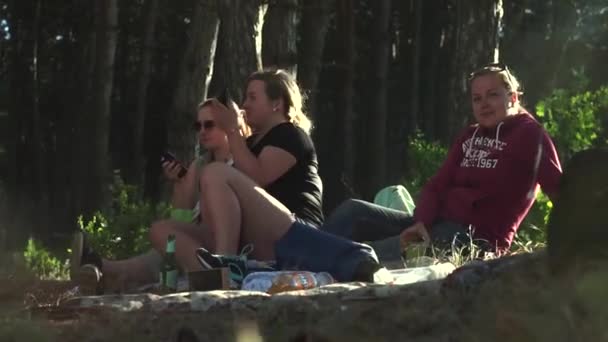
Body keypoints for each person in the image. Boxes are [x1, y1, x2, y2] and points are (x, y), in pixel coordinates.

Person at [320, 63, 563, 261]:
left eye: (493, 95)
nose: (484, 104)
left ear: (512, 97)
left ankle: (328, 263)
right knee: (353, 211)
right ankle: (297, 257)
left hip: (474, 238)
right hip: (435, 223)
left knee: (370, 250)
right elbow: (437, 185)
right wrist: (422, 222)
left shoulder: (532, 136)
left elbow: (560, 191)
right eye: (477, 99)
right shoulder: (470, 135)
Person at [148, 69, 325, 272]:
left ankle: (226, 265)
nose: (245, 105)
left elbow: (258, 177)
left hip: (297, 234)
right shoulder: (250, 144)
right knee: (163, 231)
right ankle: (210, 275)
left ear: (277, 103)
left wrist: (232, 129)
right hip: (255, 235)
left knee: (215, 173)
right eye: (245, 97)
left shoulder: (291, 135)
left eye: (252, 97)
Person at [70, 99, 248, 293]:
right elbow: (181, 217)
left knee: (162, 240)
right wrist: (180, 185)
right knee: (158, 252)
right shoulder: (200, 164)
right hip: (196, 240)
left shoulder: (242, 160)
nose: (202, 131)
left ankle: (213, 280)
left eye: (209, 125)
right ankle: (98, 268)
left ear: (228, 123)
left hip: (224, 242)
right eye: (198, 125)